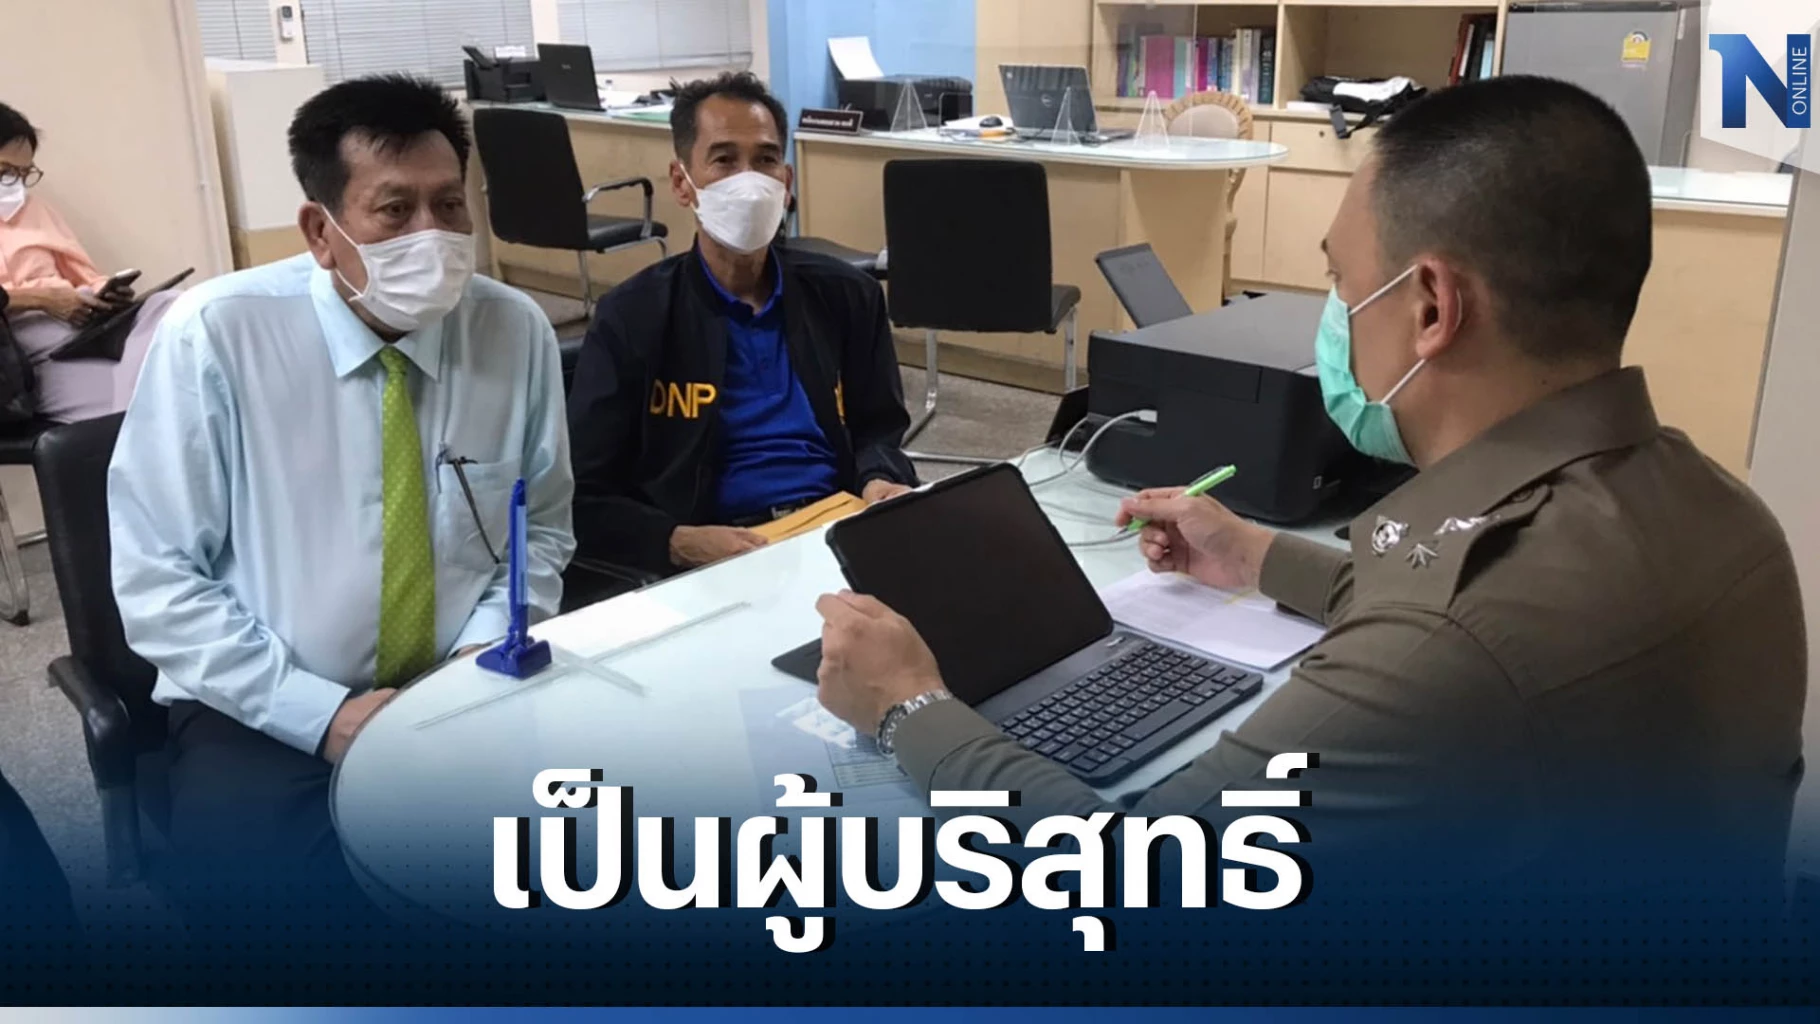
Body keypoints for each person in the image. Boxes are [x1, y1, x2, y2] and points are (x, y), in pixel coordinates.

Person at [812, 77, 1807, 880]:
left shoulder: (1447, 643)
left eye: (1339, 281)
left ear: (1430, 307)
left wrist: (910, 706)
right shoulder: (1726, 515)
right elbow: (1484, 620)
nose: (1333, 315)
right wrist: (1256, 556)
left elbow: (1140, 870)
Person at [108, 75, 575, 905]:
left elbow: (539, 525)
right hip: (262, 702)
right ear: (321, 232)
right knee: (284, 912)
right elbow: (159, 578)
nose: (432, 235)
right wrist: (321, 715)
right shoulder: (216, 336)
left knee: (582, 856)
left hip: (466, 681)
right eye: (395, 210)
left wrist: (482, 651)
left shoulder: (514, 331)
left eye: (449, 205)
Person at [568, 72, 917, 578]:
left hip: (836, 526)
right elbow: (582, 494)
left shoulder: (846, 296)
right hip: (714, 554)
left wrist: (879, 477)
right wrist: (676, 542)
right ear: (681, 183)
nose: (749, 183)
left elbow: (879, 427)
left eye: (766, 160)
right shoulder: (633, 317)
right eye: (724, 160)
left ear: (786, 183)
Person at [0, 101, 175, 423]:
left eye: (24, 174)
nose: (15, 186)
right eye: (6, 172)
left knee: (169, 304)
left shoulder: (35, 210)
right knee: (131, 412)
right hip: (23, 347)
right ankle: (137, 412)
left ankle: (141, 404)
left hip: (79, 323)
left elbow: (82, 275)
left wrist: (106, 292)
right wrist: (41, 299)